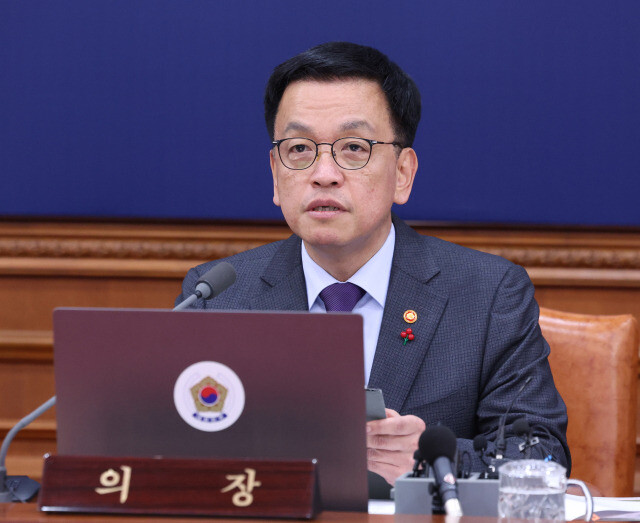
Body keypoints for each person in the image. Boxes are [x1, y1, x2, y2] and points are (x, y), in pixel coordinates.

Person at [176, 41, 570, 486]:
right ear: (275, 173)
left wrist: (432, 461)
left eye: (354, 147)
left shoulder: (488, 295)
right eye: (300, 148)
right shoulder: (216, 297)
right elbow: (177, 447)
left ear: (403, 173)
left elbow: (542, 456)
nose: (324, 174)